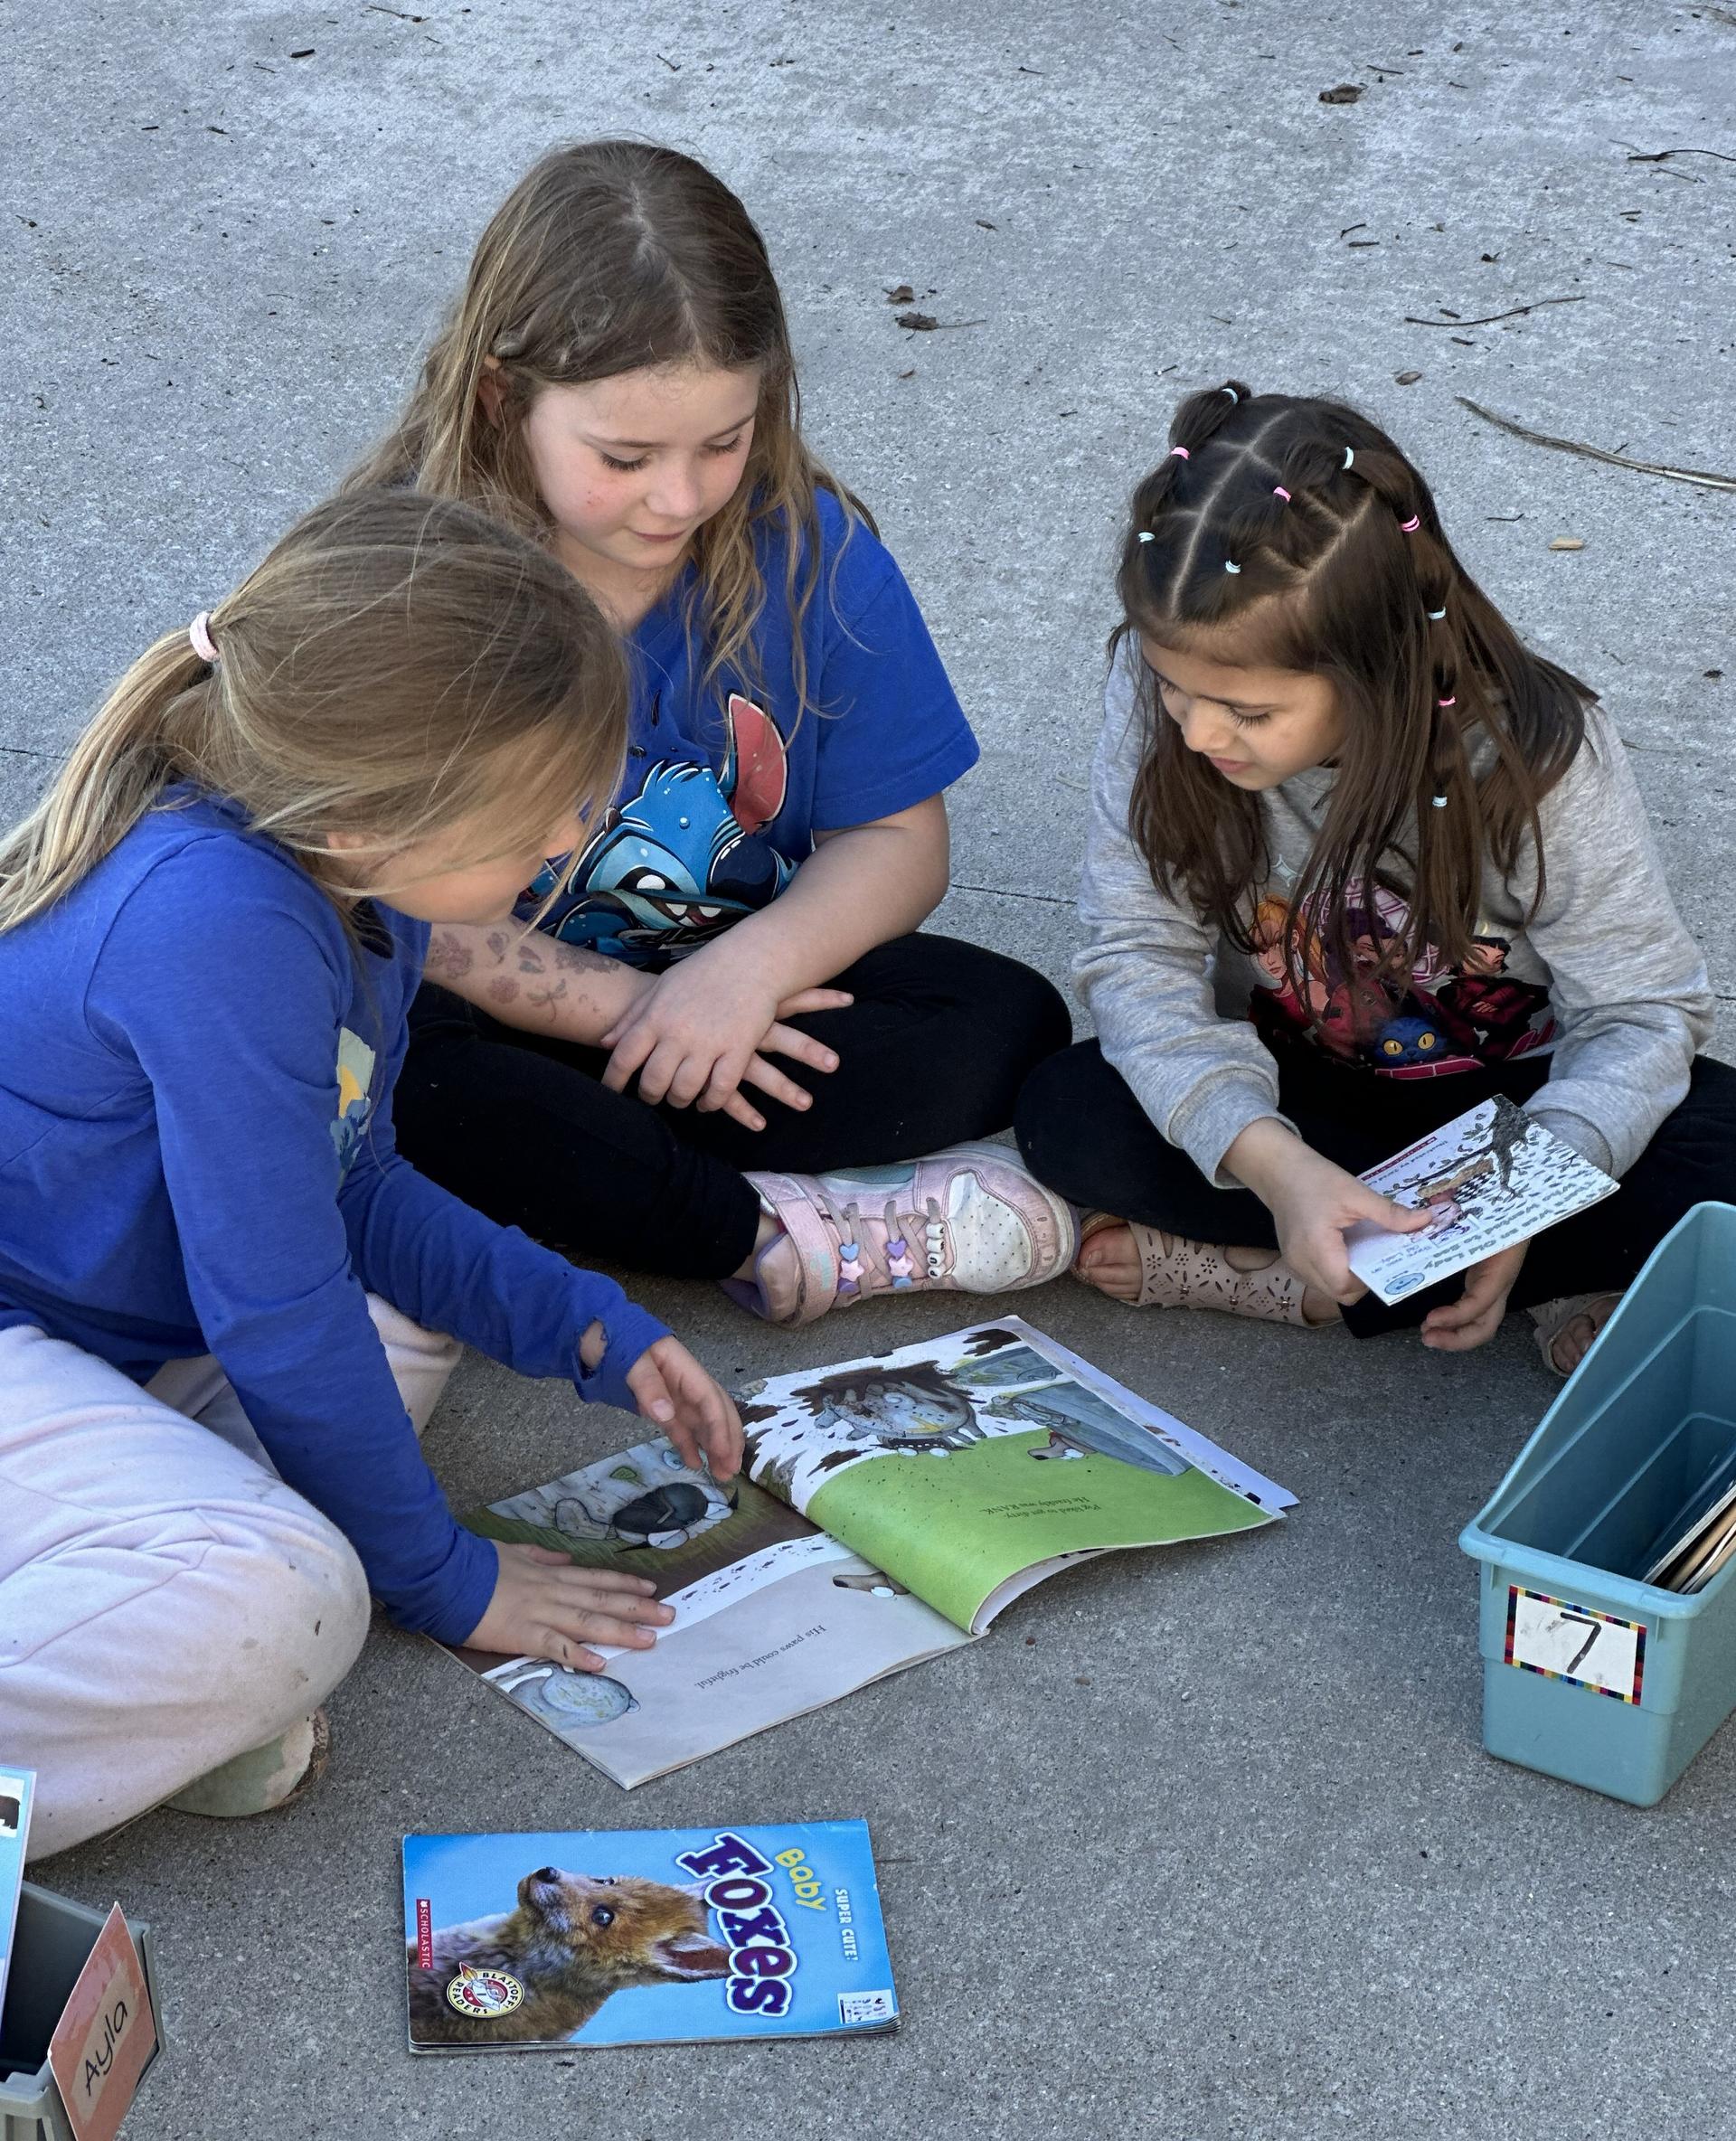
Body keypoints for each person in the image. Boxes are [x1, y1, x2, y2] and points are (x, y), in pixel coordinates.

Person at [0, 491, 742, 1858]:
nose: (569, 840)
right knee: (303, 1601)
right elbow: (276, 1308)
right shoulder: (218, 925)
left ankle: (142, 1668)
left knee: (402, 1329)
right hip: (39, 1335)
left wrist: (582, 1319)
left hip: (114, 1325)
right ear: (364, 819)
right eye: (537, 818)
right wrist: (446, 1582)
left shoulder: (351, 889)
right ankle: (147, 1665)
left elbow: (354, 1183)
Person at [344, 140, 1075, 1327]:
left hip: (729, 994)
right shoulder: (400, 578)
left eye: (721, 443)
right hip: (506, 1011)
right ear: (501, 400)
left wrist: (747, 972)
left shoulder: (814, 556)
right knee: (390, 1066)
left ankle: (596, 1176)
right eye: (624, 458)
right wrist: (628, 1012)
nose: (678, 499)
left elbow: (898, 839)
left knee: (1003, 1024)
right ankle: (757, 1232)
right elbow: (374, 902)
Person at [1014, 382, 1735, 1372]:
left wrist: (1516, 1192)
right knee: (1068, 1112)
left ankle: (1313, 1277)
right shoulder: (1164, 704)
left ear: (1374, 669)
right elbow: (1138, 955)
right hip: (1302, 1097)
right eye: (1173, 686)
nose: (1197, 730)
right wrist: (1278, 1168)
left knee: (1716, 1149)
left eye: (1248, 712)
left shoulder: (1536, 756)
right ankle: (1413, 1260)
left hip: (1505, 1099)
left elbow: (1643, 1008)